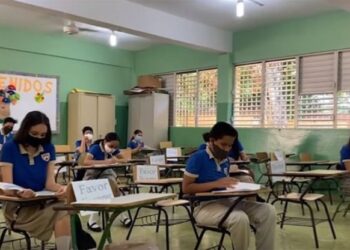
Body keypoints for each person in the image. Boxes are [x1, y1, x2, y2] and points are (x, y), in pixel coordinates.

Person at [182, 122, 276, 250]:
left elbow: (223, 186)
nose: (226, 149)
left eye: (230, 146)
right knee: (239, 218)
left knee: (268, 210)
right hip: (203, 207)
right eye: (223, 145)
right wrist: (216, 183)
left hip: (227, 201)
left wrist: (237, 186)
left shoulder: (225, 160)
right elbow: (186, 188)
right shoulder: (197, 158)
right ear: (212, 140)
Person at [0, 111, 71, 250]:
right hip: (18, 208)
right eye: (34, 133)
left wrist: (64, 188)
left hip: (42, 202)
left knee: (66, 207)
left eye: (43, 135)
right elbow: (7, 187)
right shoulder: (10, 148)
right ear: (25, 129)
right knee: (63, 212)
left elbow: (50, 184)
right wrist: (20, 193)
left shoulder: (48, 148)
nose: (39, 138)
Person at [83, 132, 131, 231]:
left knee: (114, 189)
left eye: (115, 146)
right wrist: (105, 162)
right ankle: (92, 221)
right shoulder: (95, 148)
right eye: (111, 146)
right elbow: (86, 162)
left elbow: (125, 160)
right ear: (105, 141)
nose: (113, 148)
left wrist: (116, 160)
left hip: (106, 174)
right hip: (93, 176)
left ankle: (123, 217)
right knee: (100, 192)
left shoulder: (113, 150)